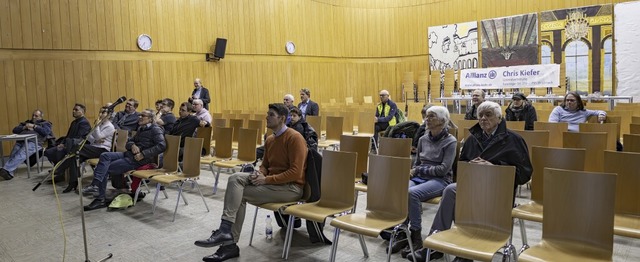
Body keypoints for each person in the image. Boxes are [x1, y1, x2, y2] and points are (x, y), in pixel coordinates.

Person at [408, 101, 532, 262]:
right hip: (473, 186)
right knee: (451, 190)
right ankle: (434, 247)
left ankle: (464, 253)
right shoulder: (473, 139)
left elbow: (525, 174)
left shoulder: (514, 140)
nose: (483, 119)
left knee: (456, 193)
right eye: (480, 115)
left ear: (499, 118)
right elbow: (461, 167)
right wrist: (469, 166)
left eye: (488, 115)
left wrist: (494, 167)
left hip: (499, 190)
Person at [194, 103, 307, 262]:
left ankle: (229, 243)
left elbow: (296, 172)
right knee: (235, 179)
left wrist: (266, 179)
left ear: (282, 118)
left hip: (291, 188)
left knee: (238, 195)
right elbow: (266, 165)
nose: (266, 117)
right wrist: (259, 173)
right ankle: (226, 231)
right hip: (273, 184)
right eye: (267, 114)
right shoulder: (270, 139)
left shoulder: (295, 138)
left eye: (271, 115)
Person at [390, 106, 456, 255]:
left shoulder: (450, 141)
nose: (427, 119)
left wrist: (418, 170)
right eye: (427, 116)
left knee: (412, 193)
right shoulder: (423, 139)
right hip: (422, 177)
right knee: (400, 189)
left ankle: (416, 236)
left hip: (440, 180)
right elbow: (418, 163)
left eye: (431, 116)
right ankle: (402, 232)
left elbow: (443, 170)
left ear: (442, 121)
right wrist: (414, 171)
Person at [83, 109, 166, 211]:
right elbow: (129, 142)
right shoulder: (141, 128)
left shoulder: (155, 129)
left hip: (138, 159)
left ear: (150, 119)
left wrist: (143, 154)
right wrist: (133, 145)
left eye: (142, 115)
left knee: (106, 168)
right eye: (139, 115)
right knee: (105, 155)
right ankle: (97, 182)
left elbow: (162, 145)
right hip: (128, 154)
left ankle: (100, 198)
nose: (139, 117)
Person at [53, 106, 115, 193]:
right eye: (100, 112)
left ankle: (60, 168)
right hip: (94, 147)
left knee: (76, 148)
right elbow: (89, 137)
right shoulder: (99, 124)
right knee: (74, 157)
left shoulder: (109, 126)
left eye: (103, 113)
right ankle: (73, 183)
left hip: (102, 150)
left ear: (108, 115)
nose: (100, 115)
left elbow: (98, 136)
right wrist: (96, 138)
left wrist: (96, 128)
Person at [0, 110, 53, 181]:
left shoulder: (45, 123)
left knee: (22, 153)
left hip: (35, 142)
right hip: (21, 141)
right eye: (33, 115)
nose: (34, 117)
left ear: (41, 116)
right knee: (14, 152)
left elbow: (46, 132)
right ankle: (9, 172)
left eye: (36, 116)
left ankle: (6, 169)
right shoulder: (26, 123)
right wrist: (24, 127)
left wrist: (34, 126)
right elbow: (15, 130)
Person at [45, 103, 91, 182]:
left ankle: (60, 171)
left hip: (76, 146)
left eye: (76, 110)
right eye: (73, 109)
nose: (73, 111)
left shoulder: (84, 123)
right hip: (68, 143)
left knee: (59, 151)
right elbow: (68, 136)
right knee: (48, 152)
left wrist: (65, 145)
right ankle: (59, 168)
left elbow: (80, 138)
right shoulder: (74, 122)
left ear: (82, 112)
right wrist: (62, 143)